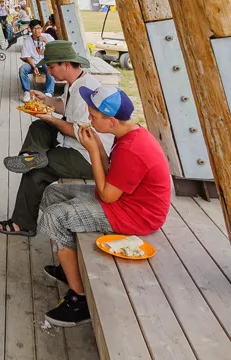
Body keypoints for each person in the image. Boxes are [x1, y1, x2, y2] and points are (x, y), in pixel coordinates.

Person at [39, 85, 171, 328]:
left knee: (55, 216)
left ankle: (80, 300)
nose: (89, 119)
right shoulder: (128, 134)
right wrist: (98, 146)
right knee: (52, 193)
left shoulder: (133, 147)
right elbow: (113, 173)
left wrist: (91, 150)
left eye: (94, 116)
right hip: (125, 200)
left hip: (138, 215)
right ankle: (70, 267)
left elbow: (108, 195)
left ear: (111, 121)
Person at [0, 40, 113, 236]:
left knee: (35, 172)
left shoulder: (86, 91)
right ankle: (30, 156)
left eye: (51, 66)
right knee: (40, 126)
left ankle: (22, 223)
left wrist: (49, 117)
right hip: (77, 145)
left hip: (89, 156)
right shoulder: (77, 82)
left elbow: (78, 132)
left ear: (66, 64)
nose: (48, 71)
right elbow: (64, 106)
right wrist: (46, 100)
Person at [19, 20, 55, 98]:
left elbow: (55, 50)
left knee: (52, 69)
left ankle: (48, 92)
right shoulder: (27, 41)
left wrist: (46, 42)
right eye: (35, 28)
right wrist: (34, 66)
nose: (37, 31)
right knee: (22, 69)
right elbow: (27, 56)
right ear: (31, 29)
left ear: (41, 28)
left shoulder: (48, 37)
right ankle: (27, 91)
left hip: (46, 61)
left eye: (39, 28)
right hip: (33, 62)